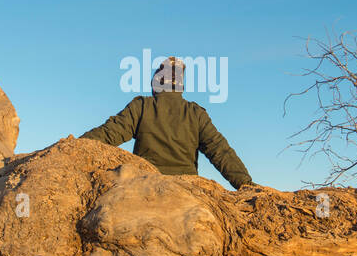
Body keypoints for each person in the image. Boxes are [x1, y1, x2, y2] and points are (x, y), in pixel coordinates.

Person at [80, 56, 254, 189]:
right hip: (188, 189)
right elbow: (221, 152)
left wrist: (73, 146)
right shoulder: (195, 114)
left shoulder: (142, 107)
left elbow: (108, 134)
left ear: (156, 83)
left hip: (144, 184)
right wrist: (246, 184)